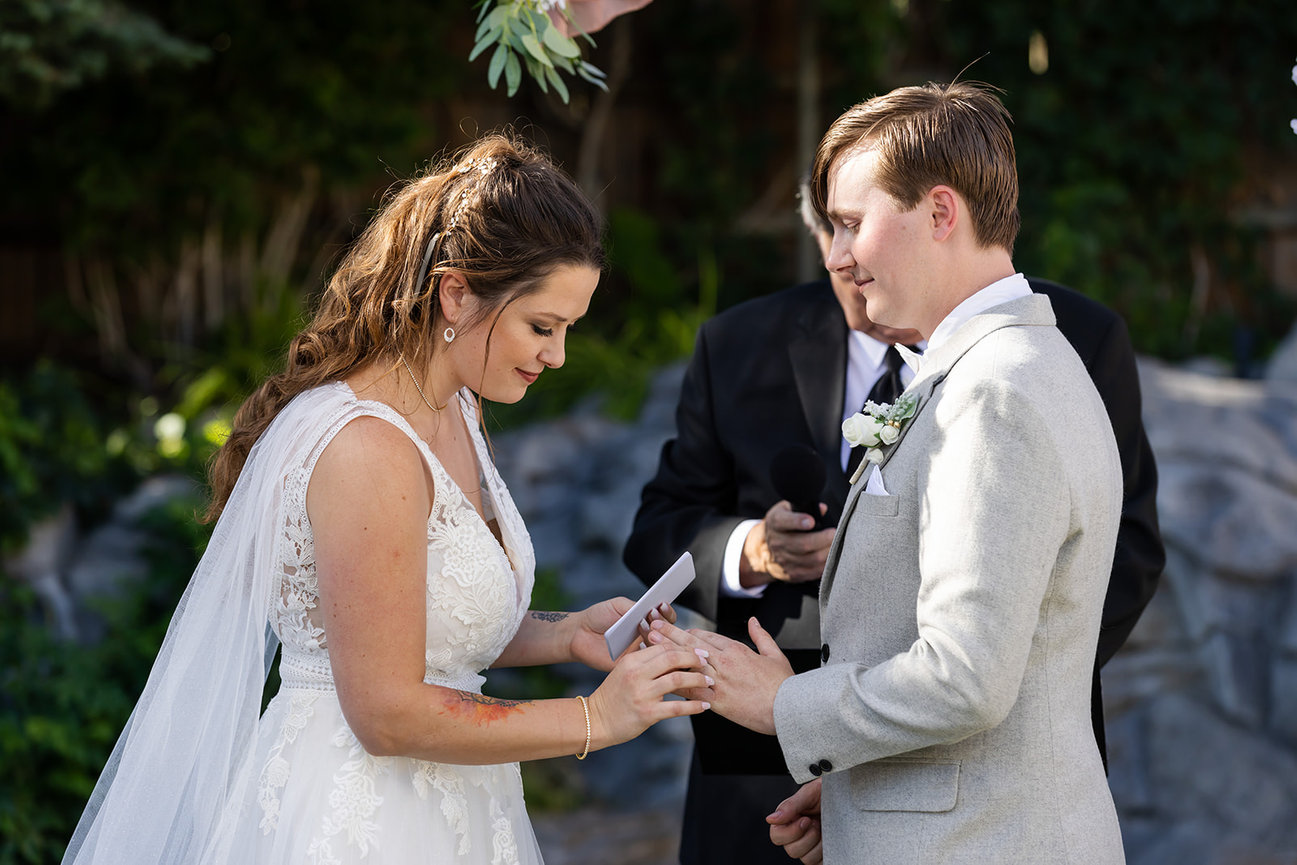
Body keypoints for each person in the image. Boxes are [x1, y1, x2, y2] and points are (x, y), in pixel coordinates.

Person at [62, 133, 712, 865]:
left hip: (458, 803)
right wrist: (594, 718)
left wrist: (565, 634)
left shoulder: (457, 411)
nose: (556, 355)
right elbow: (386, 711)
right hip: (358, 819)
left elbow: (430, 625)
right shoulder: (367, 449)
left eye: (566, 330)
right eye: (542, 326)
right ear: (457, 292)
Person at [650, 80, 1132, 864]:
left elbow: (964, 676)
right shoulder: (1017, 361)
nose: (835, 257)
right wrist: (854, 792)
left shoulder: (993, 394)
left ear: (941, 214)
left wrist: (783, 705)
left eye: (849, 224)